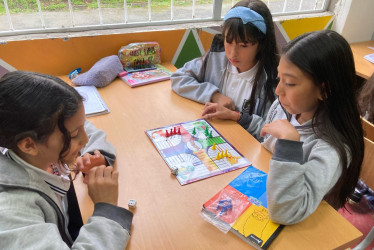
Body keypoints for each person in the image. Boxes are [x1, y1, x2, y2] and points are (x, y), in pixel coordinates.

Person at [0, 71, 133, 249]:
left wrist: (96, 154)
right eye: (75, 134)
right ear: (29, 145)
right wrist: (107, 210)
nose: (85, 140)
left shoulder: (26, 138)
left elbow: (82, 125)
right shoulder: (12, 211)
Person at [259, 30, 364, 225]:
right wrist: (240, 117)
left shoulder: (331, 148)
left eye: (289, 83)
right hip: (265, 192)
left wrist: (289, 145)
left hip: (302, 227)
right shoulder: (287, 106)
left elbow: (285, 212)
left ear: (324, 90)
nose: (278, 90)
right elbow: (268, 133)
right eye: (279, 78)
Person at [171, 0, 278, 140]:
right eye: (228, 41)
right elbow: (178, 77)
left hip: (246, 149)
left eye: (244, 45)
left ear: (261, 44)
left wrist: (238, 117)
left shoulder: (274, 79)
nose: (233, 53)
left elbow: (272, 134)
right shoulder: (217, 56)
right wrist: (214, 95)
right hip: (213, 138)